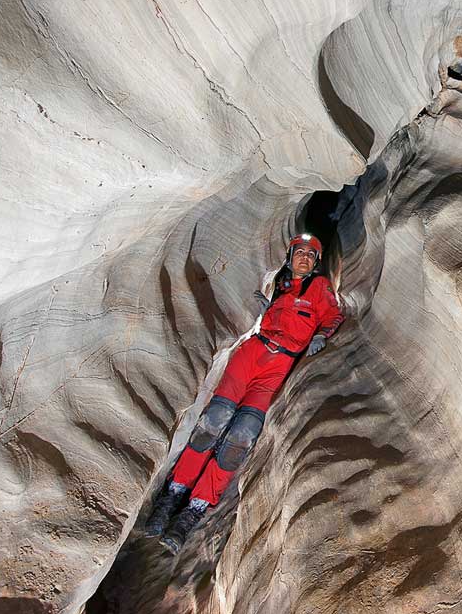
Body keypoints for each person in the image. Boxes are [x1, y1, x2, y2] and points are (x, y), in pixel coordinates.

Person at [144, 233, 344, 553]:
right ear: (289, 255)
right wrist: (272, 308)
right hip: (252, 354)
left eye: (310, 254)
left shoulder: (318, 288)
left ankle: (194, 509)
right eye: (299, 252)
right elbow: (284, 311)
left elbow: (333, 315)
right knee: (213, 422)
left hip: (279, 365)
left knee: (241, 437)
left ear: (316, 261)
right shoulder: (282, 284)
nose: (304, 257)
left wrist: (321, 334)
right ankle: (172, 495)